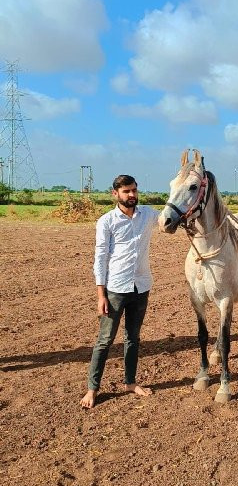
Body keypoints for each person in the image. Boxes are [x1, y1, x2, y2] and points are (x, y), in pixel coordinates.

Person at [80, 175, 159, 409]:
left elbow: (170, 218)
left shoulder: (148, 214)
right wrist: (100, 295)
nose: (132, 195)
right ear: (115, 194)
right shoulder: (106, 221)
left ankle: (130, 383)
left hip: (141, 286)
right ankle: (92, 389)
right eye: (126, 191)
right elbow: (100, 258)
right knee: (104, 341)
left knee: (133, 338)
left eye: (134, 190)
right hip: (115, 289)